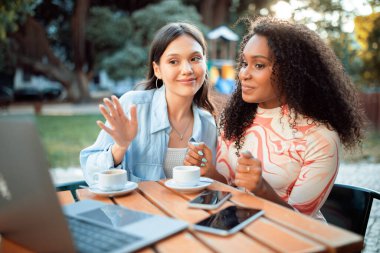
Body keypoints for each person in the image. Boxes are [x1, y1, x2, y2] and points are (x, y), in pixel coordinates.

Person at [184, 16, 366, 221]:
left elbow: (300, 222)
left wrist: (262, 189)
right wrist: (210, 172)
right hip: (237, 229)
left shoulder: (320, 137)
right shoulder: (233, 119)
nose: (244, 74)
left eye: (259, 65)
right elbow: (228, 192)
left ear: (290, 72)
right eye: (244, 63)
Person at [80, 22, 216, 184]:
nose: (187, 69)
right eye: (173, 61)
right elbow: (91, 175)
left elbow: (208, 187)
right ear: (157, 69)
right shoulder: (132, 106)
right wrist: (120, 147)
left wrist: (209, 173)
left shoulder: (207, 124)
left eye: (195, 59)